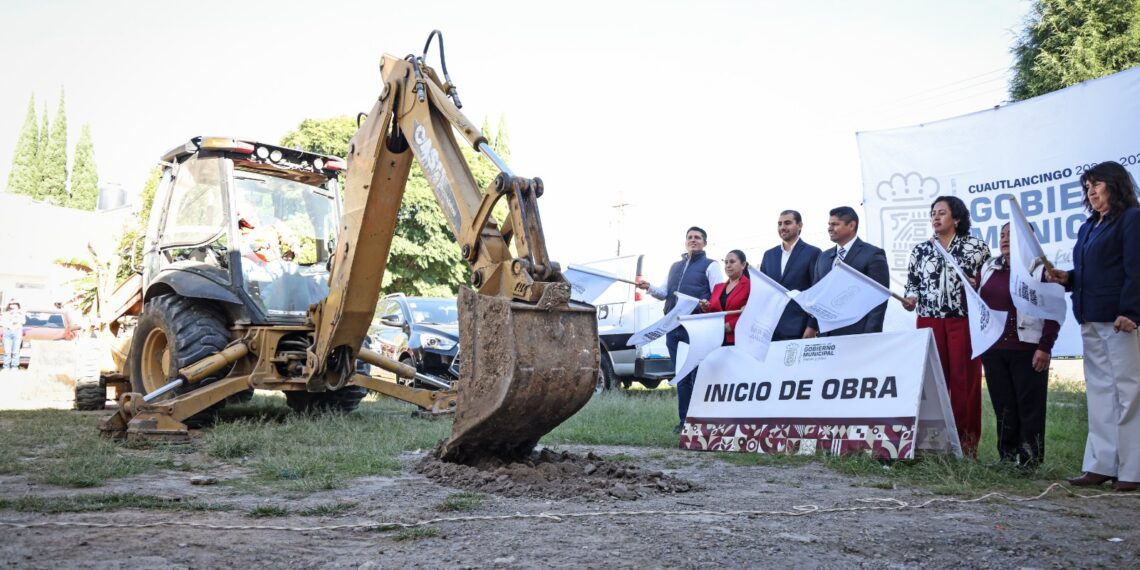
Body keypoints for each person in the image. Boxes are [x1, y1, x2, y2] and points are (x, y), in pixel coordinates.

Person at [1045, 161, 1140, 492]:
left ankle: (1132, 469)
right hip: (1090, 315)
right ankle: (1101, 464)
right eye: (1087, 187)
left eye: (1096, 184)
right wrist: (1067, 278)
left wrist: (1132, 311)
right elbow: (1091, 271)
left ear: (1114, 184)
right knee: (1100, 393)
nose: (1091, 191)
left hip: (1120, 320)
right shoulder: (1089, 227)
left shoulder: (1131, 219)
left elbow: (1135, 268)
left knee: (1128, 393)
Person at [901, 195, 992, 457]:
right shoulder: (921, 249)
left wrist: (978, 287)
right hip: (928, 321)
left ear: (957, 218)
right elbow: (912, 283)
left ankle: (965, 446)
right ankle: (932, 445)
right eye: (933, 213)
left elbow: (987, 283)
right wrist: (911, 298)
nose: (935, 218)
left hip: (962, 320)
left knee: (965, 382)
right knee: (930, 383)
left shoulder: (977, 247)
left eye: (941, 213)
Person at [979, 222, 1060, 469]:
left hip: (1028, 347)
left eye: (1011, 235)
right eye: (1001, 235)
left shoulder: (1041, 270)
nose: (1004, 239)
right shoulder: (989, 267)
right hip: (994, 350)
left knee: (1030, 407)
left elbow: (1053, 310)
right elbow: (977, 301)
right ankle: (1006, 456)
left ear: (1027, 239)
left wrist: (1045, 347)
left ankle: (1030, 460)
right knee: (1003, 405)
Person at [637, 226, 726, 433]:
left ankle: (700, 419)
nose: (693, 240)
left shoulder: (711, 265)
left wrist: (707, 304)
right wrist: (648, 287)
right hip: (673, 325)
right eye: (690, 237)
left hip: (694, 326)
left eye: (697, 238)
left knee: (695, 373)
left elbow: (718, 294)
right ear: (685, 241)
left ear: (705, 243)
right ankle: (684, 421)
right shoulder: (675, 266)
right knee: (681, 375)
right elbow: (664, 292)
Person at [804, 206, 889, 337]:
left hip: (857, 334)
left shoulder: (872, 254)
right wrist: (812, 327)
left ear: (851, 225)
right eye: (829, 224)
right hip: (826, 336)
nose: (830, 228)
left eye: (835, 224)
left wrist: (871, 336)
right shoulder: (823, 257)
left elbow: (878, 299)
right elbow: (818, 295)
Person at [759, 210, 821, 340]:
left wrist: (812, 326)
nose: (782, 227)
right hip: (771, 328)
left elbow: (817, 292)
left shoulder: (813, 252)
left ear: (800, 225)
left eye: (787, 223)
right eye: (779, 224)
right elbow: (763, 292)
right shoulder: (769, 255)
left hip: (800, 327)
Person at [698, 250, 751, 345]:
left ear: (743, 265)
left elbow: (752, 313)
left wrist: (730, 325)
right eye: (726, 262)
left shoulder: (751, 286)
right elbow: (713, 311)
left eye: (732, 262)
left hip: (738, 339)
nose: (728, 265)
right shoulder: (718, 287)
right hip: (715, 339)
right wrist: (705, 308)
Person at [2, 300, 27, 370]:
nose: (12, 305)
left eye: (14, 304)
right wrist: (10, 319)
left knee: (16, 351)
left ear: (17, 305)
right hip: (7, 331)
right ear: (9, 305)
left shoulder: (20, 313)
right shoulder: (6, 313)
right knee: (7, 352)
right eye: (11, 304)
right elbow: (2, 323)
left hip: (17, 332)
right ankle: (6, 367)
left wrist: (18, 315)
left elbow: (23, 321)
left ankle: (14, 367)